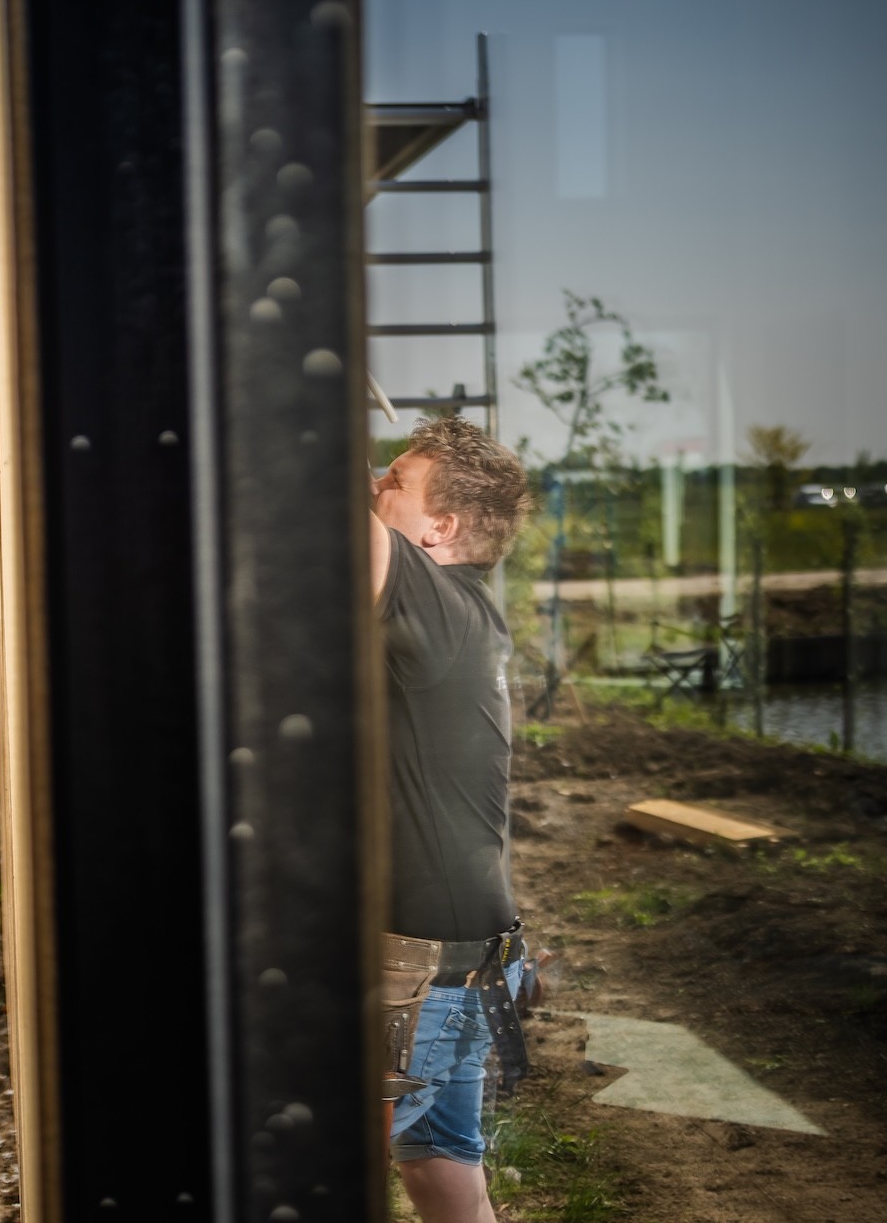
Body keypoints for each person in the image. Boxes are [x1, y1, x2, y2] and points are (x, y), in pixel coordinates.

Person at [369, 416, 533, 1223]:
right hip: (465, 961)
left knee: (315, 1169)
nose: (374, 487)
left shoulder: (433, 599)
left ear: (443, 527)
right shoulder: (464, 613)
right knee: (439, 1170)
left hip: (423, 975)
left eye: (393, 481)